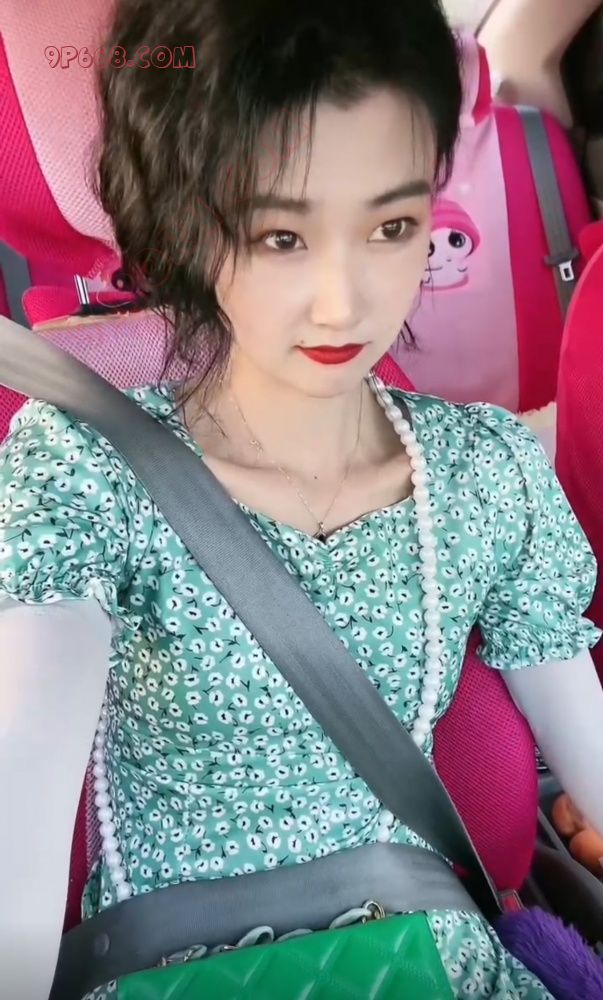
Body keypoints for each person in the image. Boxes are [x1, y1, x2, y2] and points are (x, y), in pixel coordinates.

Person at [1, 1, 603, 998]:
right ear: (184, 221)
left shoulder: (485, 472)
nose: (344, 302)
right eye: (280, 235)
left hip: (434, 961)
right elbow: (17, 845)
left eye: (392, 226)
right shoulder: (85, 465)